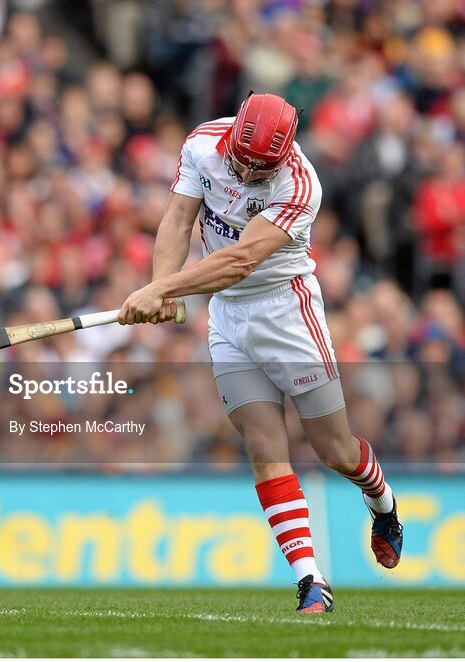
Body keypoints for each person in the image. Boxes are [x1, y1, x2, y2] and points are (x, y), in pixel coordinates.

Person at [119, 93, 403, 613]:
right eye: (240, 163)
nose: (247, 174)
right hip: (228, 318)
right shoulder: (203, 143)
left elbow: (239, 260)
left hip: (287, 313)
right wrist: (158, 285)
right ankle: (311, 581)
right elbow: (179, 221)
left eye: (259, 169)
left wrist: (165, 291)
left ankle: (382, 503)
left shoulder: (300, 182)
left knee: (336, 451)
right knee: (263, 447)